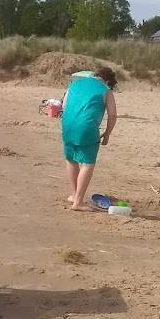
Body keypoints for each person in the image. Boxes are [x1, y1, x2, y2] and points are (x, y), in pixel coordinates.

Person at [61, 66, 118, 211]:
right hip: (87, 127)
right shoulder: (106, 90)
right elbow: (112, 115)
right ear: (108, 81)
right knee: (87, 163)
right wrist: (107, 133)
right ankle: (78, 202)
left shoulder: (74, 84)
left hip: (67, 124)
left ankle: (75, 195)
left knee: (71, 159)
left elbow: (64, 105)